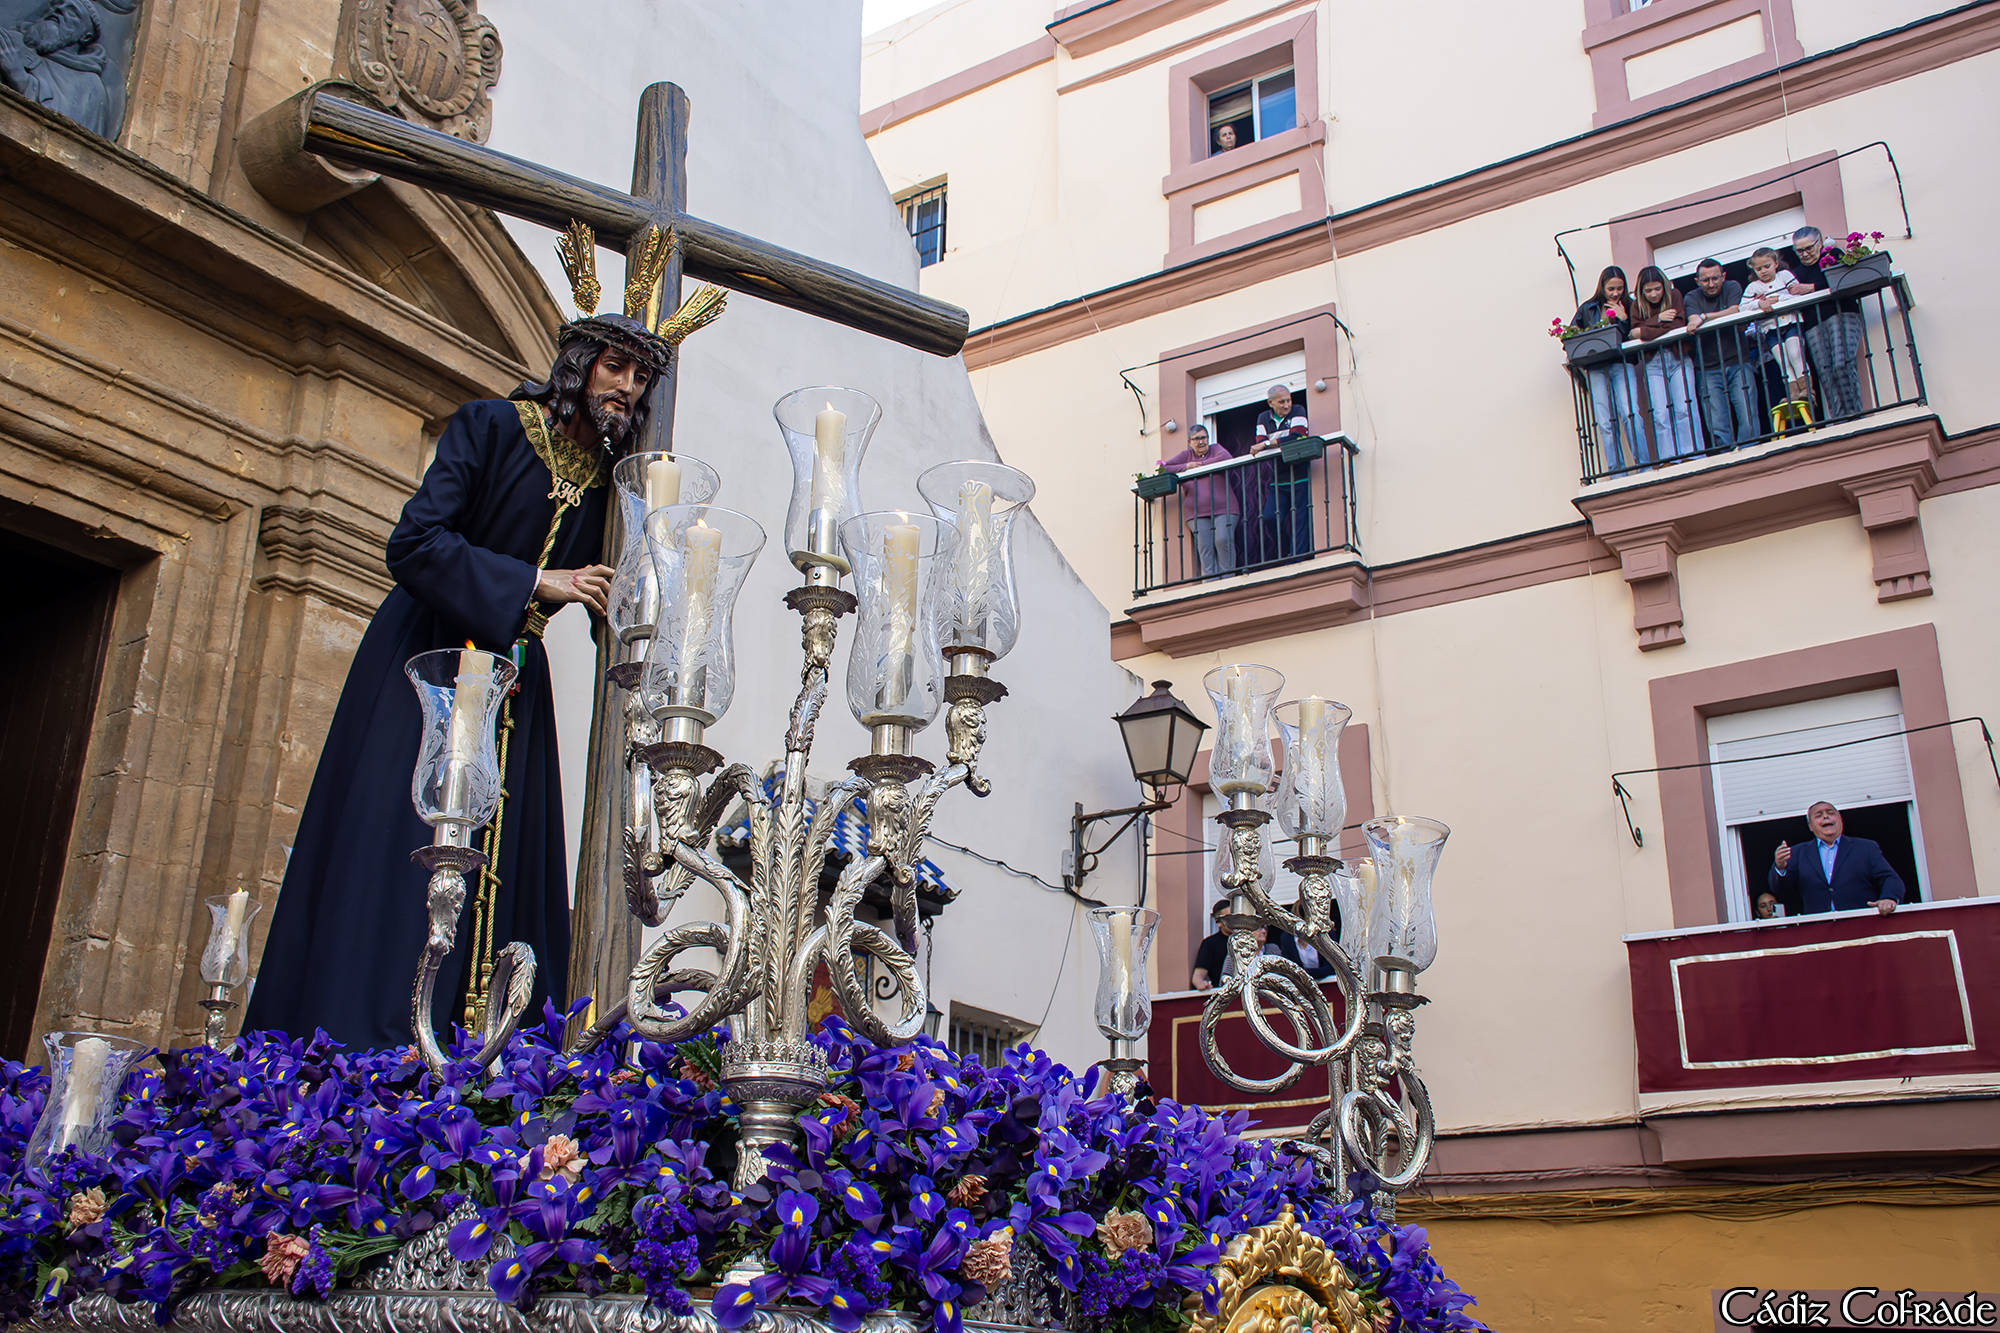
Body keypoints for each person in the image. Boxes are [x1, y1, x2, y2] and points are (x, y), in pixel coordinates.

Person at [248, 309, 683, 1050]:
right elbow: (414, 543)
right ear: (578, 365)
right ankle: (369, 1048)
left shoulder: (612, 485)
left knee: (510, 866)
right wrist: (534, 582)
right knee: (398, 849)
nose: (626, 387)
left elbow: (617, 612)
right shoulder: (491, 427)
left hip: (517, 685)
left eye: (640, 377)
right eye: (614, 367)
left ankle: (491, 1052)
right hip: (432, 663)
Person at [1780, 225, 1869, 421]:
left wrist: (1810, 288)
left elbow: (1844, 280)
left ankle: (1855, 416)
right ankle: (1839, 420)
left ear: (1819, 242)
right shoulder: (1795, 273)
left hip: (1841, 314)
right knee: (1826, 372)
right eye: (1799, 251)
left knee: (1841, 364)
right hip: (1813, 324)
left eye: (1809, 248)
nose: (1804, 254)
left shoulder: (1833, 256)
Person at [1767, 801, 1904, 915]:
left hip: (1862, 924)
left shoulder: (1866, 847)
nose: (1825, 816)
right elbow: (1780, 889)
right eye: (1818, 815)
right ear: (1810, 826)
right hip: (1819, 928)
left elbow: (1889, 877)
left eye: (1830, 812)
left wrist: (1889, 898)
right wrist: (1780, 867)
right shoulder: (1797, 853)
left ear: (1840, 819)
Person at [1572, 267, 1645, 471]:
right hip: (1596, 367)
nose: (1615, 293)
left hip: (1622, 363)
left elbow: (1637, 333)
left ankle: (1643, 465)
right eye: (1611, 288)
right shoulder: (1588, 308)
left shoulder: (1629, 305)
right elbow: (1572, 334)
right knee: (1605, 421)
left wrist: (1623, 319)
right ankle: (1616, 470)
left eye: (1619, 288)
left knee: (1630, 413)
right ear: (1602, 287)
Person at [1683, 259, 1758, 448]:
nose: (1711, 284)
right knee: (1717, 423)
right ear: (1697, 281)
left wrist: (1705, 317)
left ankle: (1750, 453)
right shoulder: (1691, 297)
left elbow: (1735, 310)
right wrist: (1700, 318)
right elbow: (1692, 319)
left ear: (1723, 276)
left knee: (1748, 414)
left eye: (1715, 278)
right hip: (1707, 368)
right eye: (1705, 280)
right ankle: (1727, 458)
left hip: (1738, 361)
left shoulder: (1732, 287)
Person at [1631, 266, 1699, 460]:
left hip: (1678, 356)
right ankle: (1669, 458)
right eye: (1648, 290)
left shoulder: (1674, 295)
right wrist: (1659, 319)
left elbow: (1678, 324)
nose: (1654, 294)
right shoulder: (1637, 305)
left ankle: (1691, 454)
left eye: (1657, 289)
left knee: (1684, 407)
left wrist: (1646, 329)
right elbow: (1633, 332)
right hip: (1653, 362)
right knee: (1660, 413)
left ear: (1664, 286)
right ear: (1641, 291)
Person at [1158, 424, 1239, 579]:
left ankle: (1228, 581)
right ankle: (1210, 584)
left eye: (1203, 438)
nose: (1201, 442)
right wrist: (1186, 466)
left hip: (1224, 508)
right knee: (1205, 548)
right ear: (1189, 442)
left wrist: (1199, 467)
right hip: (1196, 513)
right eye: (1196, 439)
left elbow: (1227, 458)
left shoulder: (1216, 449)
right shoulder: (1186, 456)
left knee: (1223, 540)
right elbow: (1162, 468)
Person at [1741, 247, 1811, 417]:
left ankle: (1807, 389)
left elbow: (1797, 295)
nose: (1763, 271)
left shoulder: (1784, 276)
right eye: (1758, 269)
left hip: (1791, 322)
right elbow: (1743, 307)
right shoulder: (1753, 287)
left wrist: (1777, 299)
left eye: (1767, 266)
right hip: (1771, 329)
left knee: (1795, 354)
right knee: (1783, 360)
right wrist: (1759, 304)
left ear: (1776, 263)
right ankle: (1793, 392)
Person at [1248, 384, 1314, 562]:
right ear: (1271, 403)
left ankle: (1298, 557)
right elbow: (1260, 440)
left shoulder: (1298, 410)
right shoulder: (1263, 418)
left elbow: (1298, 436)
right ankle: (1288, 549)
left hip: (1300, 472)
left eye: (1288, 400)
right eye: (1282, 402)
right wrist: (1266, 443)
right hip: (1278, 477)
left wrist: (1267, 444)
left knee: (1300, 518)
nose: (1287, 405)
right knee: (1270, 516)